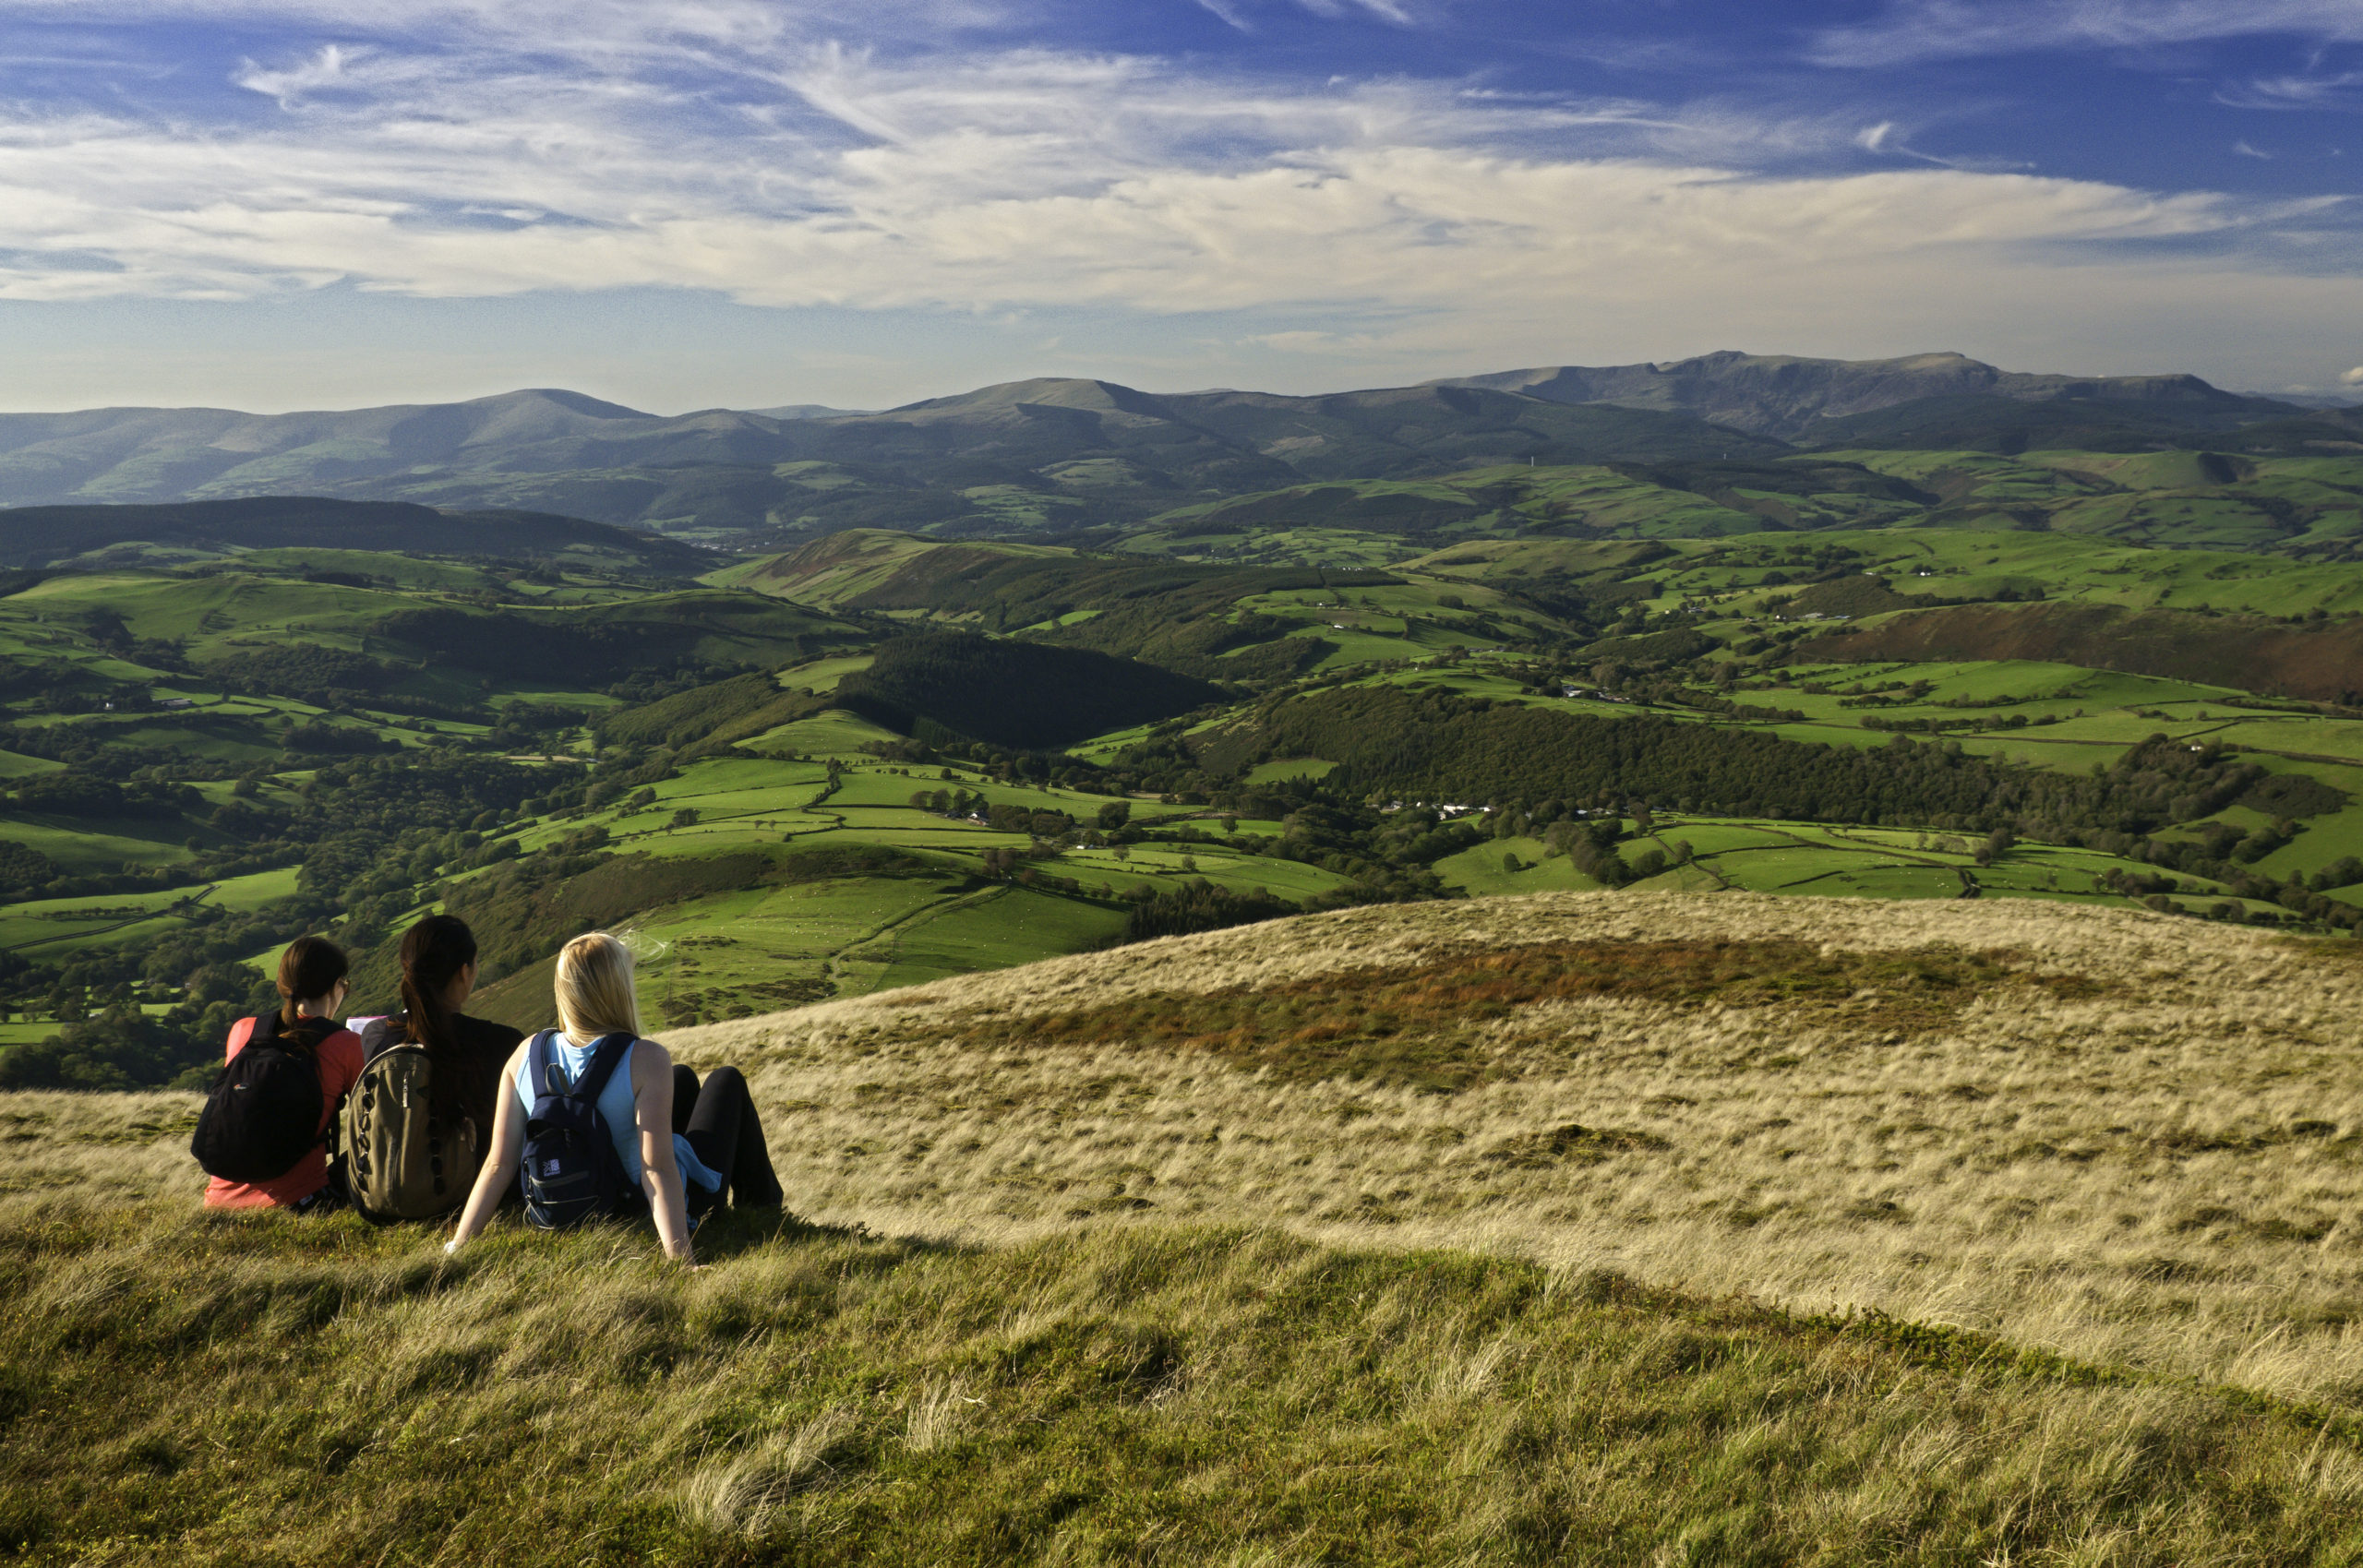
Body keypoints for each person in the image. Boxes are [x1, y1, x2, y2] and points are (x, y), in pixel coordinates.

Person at [445, 931, 782, 1264]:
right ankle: (765, 1207)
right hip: (633, 1207)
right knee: (727, 1080)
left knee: (683, 1078)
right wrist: (682, 1259)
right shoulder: (645, 1059)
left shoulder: (524, 1054)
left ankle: (759, 1204)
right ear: (618, 988)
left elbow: (498, 1164)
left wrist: (458, 1245)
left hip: (561, 1207)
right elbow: (657, 1169)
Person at [201, 936, 362, 1212]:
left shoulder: (244, 1030)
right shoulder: (345, 1043)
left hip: (217, 1203)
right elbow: (380, 1117)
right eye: (343, 986)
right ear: (336, 986)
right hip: (299, 1202)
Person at [355, 915, 522, 1150]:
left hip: (398, 1179)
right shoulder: (504, 1042)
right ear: (464, 972)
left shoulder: (376, 1035)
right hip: (482, 1182)